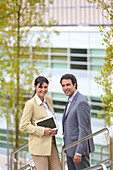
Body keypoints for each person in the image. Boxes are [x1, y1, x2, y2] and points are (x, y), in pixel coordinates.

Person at [20, 76, 61, 170]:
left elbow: (51, 119)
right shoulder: (30, 104)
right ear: (35, 87)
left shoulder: (49, 100)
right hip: (39, 146)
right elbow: (23, 126)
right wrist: (43, 131)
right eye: (40, 87)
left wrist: (54, 129)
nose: (43, 90)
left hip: (51, 144)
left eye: (45, 87)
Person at [60, 73, 95, 170]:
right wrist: (67, 143)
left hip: (79, 150)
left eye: (68, 85)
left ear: (74, 85)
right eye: (63, 85)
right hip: (70, 148)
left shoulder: (81, 102)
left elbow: (84, 129)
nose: (65, 88)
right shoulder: (70, 100)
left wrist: (79, 152)